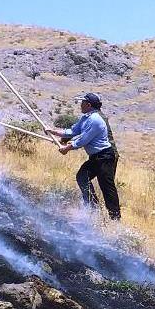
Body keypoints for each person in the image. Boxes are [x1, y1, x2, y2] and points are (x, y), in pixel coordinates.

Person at [46, 92, 121, 220]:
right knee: (82, 176)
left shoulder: (95, 119)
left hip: (105, 157)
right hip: (95, 157)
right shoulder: (86, 117)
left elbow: (83, 140)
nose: (80, 105)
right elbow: (73, 131)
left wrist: (68, 148)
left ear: (88, 105)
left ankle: (115, 218)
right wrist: (53, 131)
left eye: (82, 103)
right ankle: (93, 209)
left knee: (106, 187)